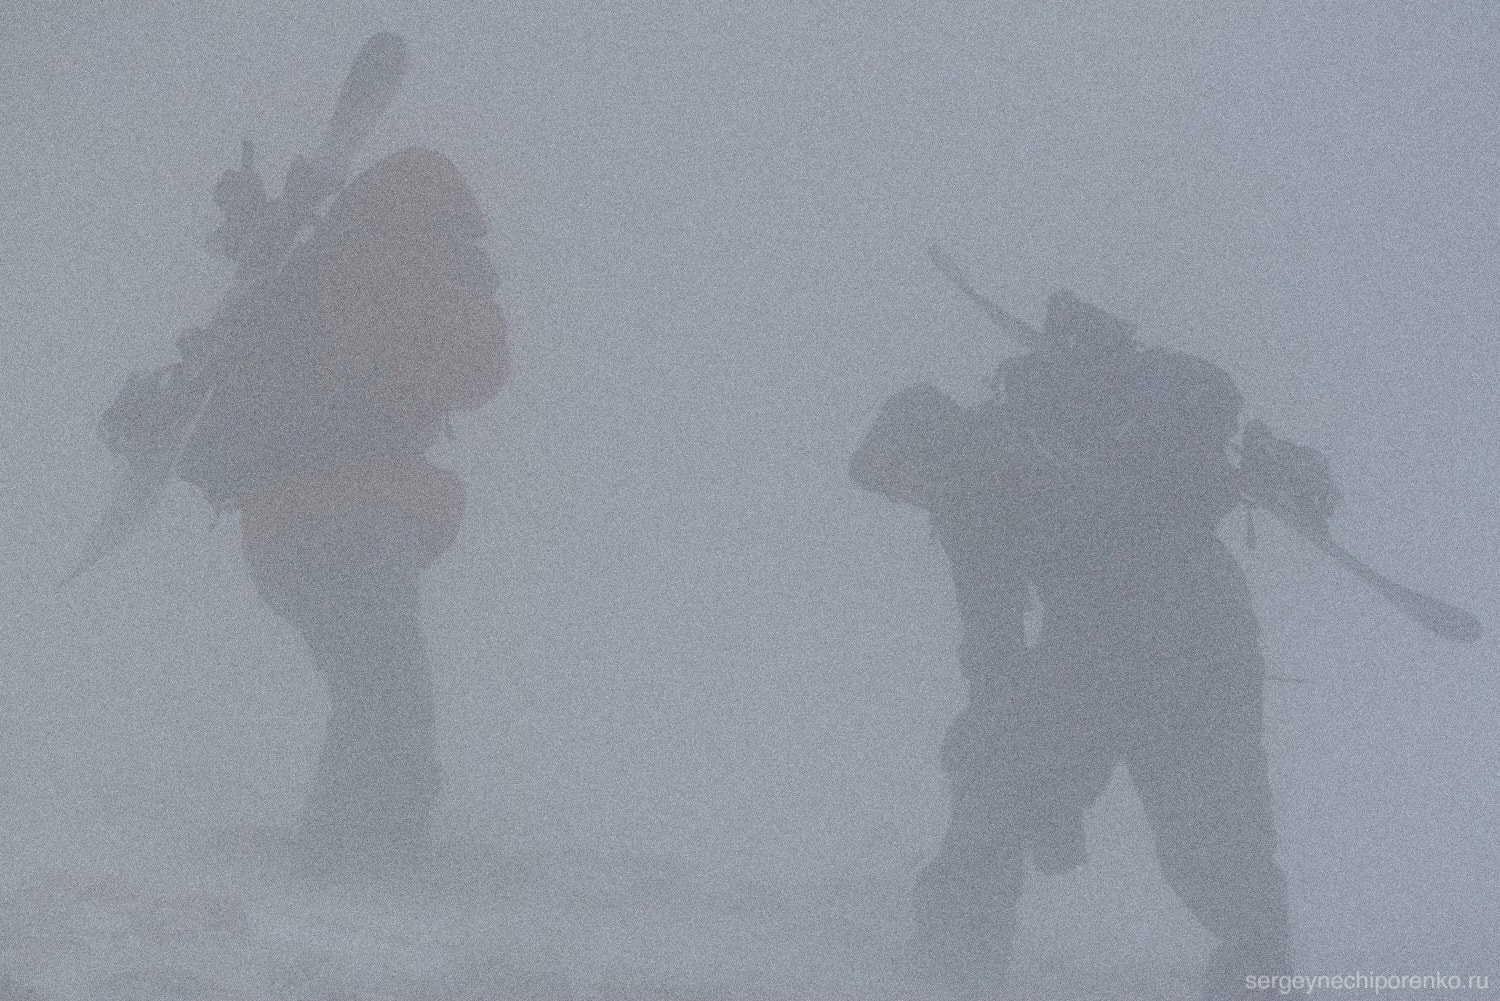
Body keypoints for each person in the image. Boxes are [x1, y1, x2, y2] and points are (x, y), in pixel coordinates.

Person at [854, 290, 1290, 1000]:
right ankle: (952, 974)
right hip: (1124, 645)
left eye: (902, 480)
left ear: (929, 448)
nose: (907, 498)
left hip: (1178, 645)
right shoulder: (996, 466)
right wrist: (1029, 773)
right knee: (1205, 844)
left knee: (1210, 843)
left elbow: (996, 641)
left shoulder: (1012, 458)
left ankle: (952, 974)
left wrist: (1024, 764)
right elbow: (994, 649)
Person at [175, 146, 508, 871]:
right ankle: (366, 855)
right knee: (388, 690)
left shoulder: (327, 259)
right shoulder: (399, 257)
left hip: (287, 522)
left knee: (370, 685)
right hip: (353, 510)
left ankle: (351, 844)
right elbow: (472, 371)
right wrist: (475, 302)